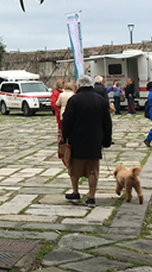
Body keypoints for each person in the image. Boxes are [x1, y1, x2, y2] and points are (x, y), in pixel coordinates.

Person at [62, 75, 112, 208]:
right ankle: (91, 197)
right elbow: (107, 123)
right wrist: (107, 140)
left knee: (74, 168)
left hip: (77, 140)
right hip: (95, 140)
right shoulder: (101, 100)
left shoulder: (74, 100)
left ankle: (76, 192)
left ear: (79, 85)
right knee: (93, 170)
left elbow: (67, 120)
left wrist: (64, 136)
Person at [56, 81, 76, 175]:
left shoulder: (61, 95)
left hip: (63, 113)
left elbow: (57, 103)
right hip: (72, 114)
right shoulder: (73, 95)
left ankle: (64, 138)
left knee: (63, 127)